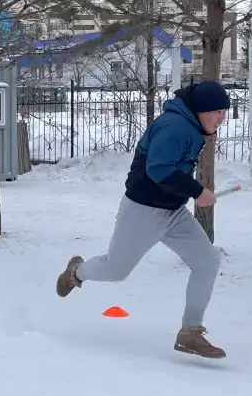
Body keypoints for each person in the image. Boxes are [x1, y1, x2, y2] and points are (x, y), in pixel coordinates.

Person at [55, 81, 230, 359]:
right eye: (218, 111)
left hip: (172, 212)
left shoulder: (190, 126)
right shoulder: (175, 127)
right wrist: (197, 192)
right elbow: (158, 169)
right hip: (143, 210)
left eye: (224, 112)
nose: (222, 118)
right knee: (116, 271)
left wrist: (191, 194)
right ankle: (76, 272)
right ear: (201, 109)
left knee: (207, 260)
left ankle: (190, 331)